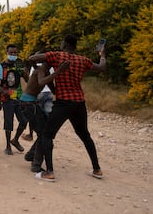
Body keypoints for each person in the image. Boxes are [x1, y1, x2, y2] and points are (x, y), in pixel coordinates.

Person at [29, 34, 106, 182]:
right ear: (75, 46)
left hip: (63, 102)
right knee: (84, 135)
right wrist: (102, 54)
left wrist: (39, 61)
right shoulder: (83, 60)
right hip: (79, 103)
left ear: (64, 44)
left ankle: (49, 172)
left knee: (47, 135)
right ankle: (97, 169)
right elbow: (102, 67)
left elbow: (33, 58)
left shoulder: (56, 56)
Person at [19, 61, 69, 172]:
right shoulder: (40, 70)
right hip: (27, 104)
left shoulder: (45, 71)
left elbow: (53, 89)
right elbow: (42, 81)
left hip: (31, 104)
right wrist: (58, 72)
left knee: (45, 133)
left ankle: (31, 155)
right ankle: (35, 163)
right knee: (44, 135)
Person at [0, 44, 29, 155]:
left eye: (15, 53)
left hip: (19, 97)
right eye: (11, 53)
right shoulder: (2, 65)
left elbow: (27, 80)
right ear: (7, 53)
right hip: (7, 98)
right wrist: (0, 97)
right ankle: (8, 146)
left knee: (24, 121)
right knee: (9, 123)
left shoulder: (19, 64)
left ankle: (15, 140)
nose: (13, 55)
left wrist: (26, 72)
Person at [22, 66, 54, 142]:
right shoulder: (51, 67)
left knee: (34, 115)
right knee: (47, 115)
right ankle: (47, 134)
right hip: (49, 93)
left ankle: (31, 135)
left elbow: (31, 80)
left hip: (38, 93)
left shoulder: (35, 67)